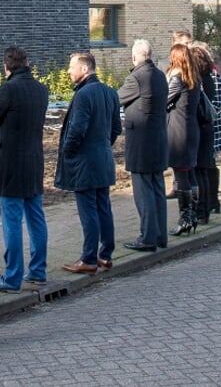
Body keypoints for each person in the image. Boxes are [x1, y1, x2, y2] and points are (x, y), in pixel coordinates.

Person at [0, 45, 48, 291]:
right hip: (34, 159)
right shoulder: (41, 89)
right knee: (36, 216)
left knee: (11, 219)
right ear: (27, 63)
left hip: (11, 162)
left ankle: (12, 276)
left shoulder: (8, 88)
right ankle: (38, 270)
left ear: (6, 67)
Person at [55, 52, 120, 274]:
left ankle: (89, 258)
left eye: (72, 67)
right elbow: (116, 128)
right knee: (103, 206)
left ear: (84, 69)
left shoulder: (83, 95)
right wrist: (103, 145)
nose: (68, 71)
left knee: (88, 210)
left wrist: (68, 151)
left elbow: (77, 130)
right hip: (103, 159)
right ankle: (106, 254)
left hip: (84, 162)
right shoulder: (110, 92)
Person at [117, 39, 168, 251]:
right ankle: (159, 235)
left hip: (141, 141)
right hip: (158, 139)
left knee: (143, 190)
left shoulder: (136, 77)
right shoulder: (159, 75)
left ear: (135, 56)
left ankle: (147, 237)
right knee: (157, 188)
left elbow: (115, 99)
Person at [165, 42, 203, 238]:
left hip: (178, 132)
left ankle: (185, 219)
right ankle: (193, 215)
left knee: (181, 175)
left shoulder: (177, 79)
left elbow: (165, 101)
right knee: (190, 173)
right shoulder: (193, 79)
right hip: (192, 130)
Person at [188, 41, 221, 222]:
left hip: (200, 127)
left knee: (199, 170)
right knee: (205, 168)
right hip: (208, 128)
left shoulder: (197, 81)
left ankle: (202, 209)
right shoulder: (210, 77)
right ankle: (208, 206)